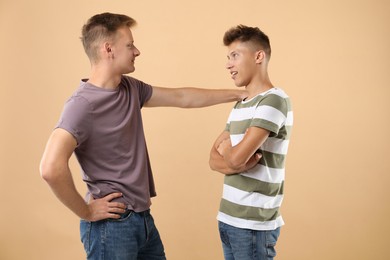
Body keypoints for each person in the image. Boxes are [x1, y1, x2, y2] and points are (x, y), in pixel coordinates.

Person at [39, 13, 247, 260]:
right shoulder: (82, 104)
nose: (136, 51)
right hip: (112, 227)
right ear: (108, 49)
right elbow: (50, 168)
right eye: (129, 45)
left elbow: (182, 97)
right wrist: (85, 211)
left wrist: (238, 94)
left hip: (143, 220)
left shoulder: (131, 88)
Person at [209, 25, 293, 260]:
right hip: (228, 217)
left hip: (254, 226)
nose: (228, 64)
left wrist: (231, 154)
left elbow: (234, 157)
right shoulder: (241, 104)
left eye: (234, 55)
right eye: (228, 57)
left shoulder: (273, 101)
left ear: (258, 56)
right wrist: (233, 158)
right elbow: (213, 160)